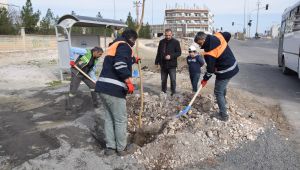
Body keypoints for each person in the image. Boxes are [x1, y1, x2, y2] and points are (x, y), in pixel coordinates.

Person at [95, 29, 140, 156]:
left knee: (110, 118)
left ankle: (110, 148)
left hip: (102, 87)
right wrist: (128, 81)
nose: (134, 44)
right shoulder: (124, 45)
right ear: (131, 39)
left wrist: (133, 60)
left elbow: (119, 59)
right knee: (120, 120)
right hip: (113, 89)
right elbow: (120, 64)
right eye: (134, 41)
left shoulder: (114, 45)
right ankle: (121, 148)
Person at [194, 31, 239, 121]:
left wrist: (205, 79)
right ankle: (224, 103)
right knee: (222, 88)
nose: (200, 46)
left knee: (218, 92)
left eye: (199, 43)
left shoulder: (209, 53)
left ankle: (224, 116)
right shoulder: (218, 36)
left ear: (203, 39)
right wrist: (223, 46)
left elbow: (210, 70)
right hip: (233, 66)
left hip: (225, 71)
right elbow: (228, 34)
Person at [66, 46, 104, 112]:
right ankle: (69, 107)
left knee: (93, 86)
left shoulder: (95, 60)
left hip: (85, 74)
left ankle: (96, 103)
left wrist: (95, 81)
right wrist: (72, 60)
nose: (100, 56)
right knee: (73, 90)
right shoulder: (86, 52)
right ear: (95, 52)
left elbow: (92, 72)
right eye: (99, 54)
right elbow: (72, 49)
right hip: (77, 72)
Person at [155, 28, 181, 96]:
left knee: (173, 80)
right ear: (165, 34)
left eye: (169, 35)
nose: (168, 37)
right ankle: (163, 91)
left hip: (172, 65)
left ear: (172, 34)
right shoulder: (161, 42)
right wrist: (156, 62)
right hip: (163, 65)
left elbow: (179, 53)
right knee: (163, 80)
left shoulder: (176, 42)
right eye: (166, 35)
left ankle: (173, 92)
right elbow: (158, 52)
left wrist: (171, 56)